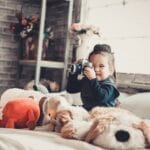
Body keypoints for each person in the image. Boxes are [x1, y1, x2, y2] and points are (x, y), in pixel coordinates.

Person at [66, 44, 120, 111]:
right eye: (92, 66)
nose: (96, 69)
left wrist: (93, 79)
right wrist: (74, 72)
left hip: (105, 114)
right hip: (90, 110)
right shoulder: (87, 80)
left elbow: (101, 98)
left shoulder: (110, 85)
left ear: (110, 70)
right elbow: (71, 89)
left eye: (101, 66)